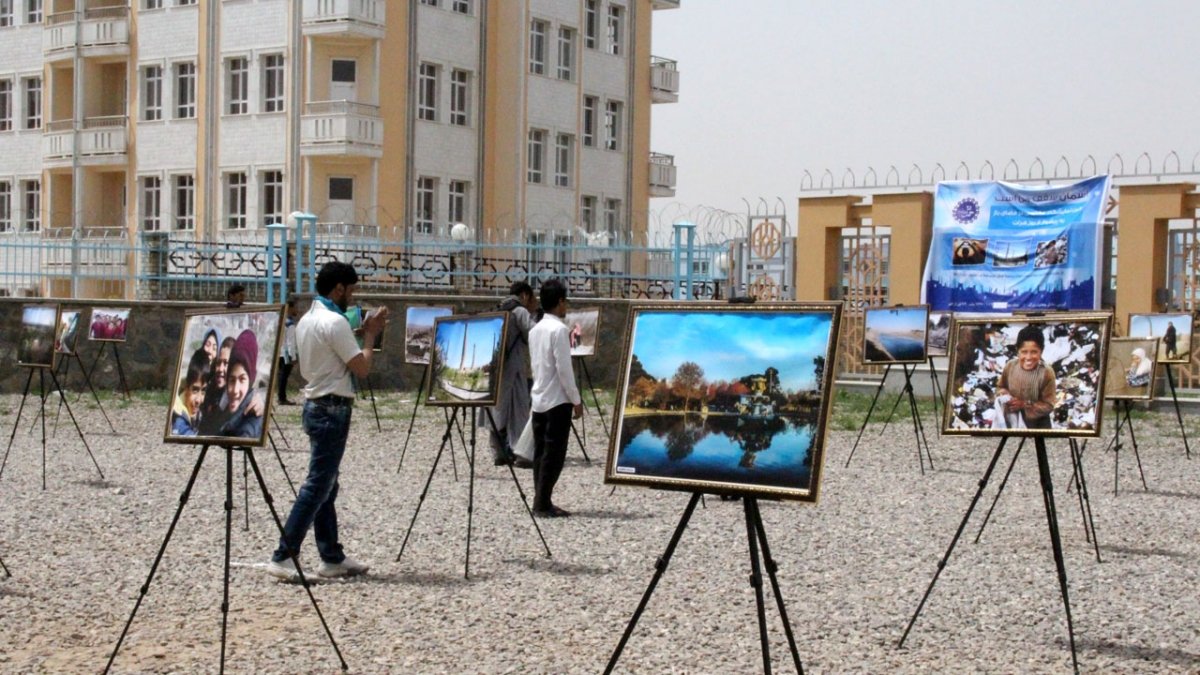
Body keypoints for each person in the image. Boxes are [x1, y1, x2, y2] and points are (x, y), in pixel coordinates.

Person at [267, 261, 387, 581]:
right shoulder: (334, 322)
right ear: (339, 289)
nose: (352, 296)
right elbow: (362, 368)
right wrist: (371, 336)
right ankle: (284, 554)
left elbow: (331, 350)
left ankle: (331, 556)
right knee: (318, 485)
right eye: (351, 290)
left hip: (315, 404)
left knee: (327, 484)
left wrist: (357, 333)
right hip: (333, 408)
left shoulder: (308, 319)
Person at [528, 278, 583, 517]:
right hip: (557, 401)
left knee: (541, 452)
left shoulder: (536, 329)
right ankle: (542, 502)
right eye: (564, 301)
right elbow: (564, 370)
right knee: (554, 454)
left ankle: (541, 497)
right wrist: (576, 399)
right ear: (560, 302)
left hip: (539, 398)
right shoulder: (559, 330)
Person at [482, 281, 538, 466]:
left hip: (497, 369)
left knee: (498, 409)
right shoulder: (520, 311)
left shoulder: (500, 307)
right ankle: (522, 453)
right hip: (514, 369)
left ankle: (498, 452)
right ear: (525, 295)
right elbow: (534, 332)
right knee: (519, 409)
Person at [198, 330, 265, 439]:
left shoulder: (251, 402)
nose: (221, 369)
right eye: (219, 363)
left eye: (226, 363)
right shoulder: (210, 389)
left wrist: (262, 402)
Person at [996, 325, 1057, 430]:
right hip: (1013, 422)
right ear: (1017, 350)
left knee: (1039, 446)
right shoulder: (1010, 366)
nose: (1028, 357)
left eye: (1034, 352)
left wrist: (1024, 405)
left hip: (1038, 425)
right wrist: (1005, 394)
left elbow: (1048, 406)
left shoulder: (1046, 372)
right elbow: (1001, 386)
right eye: (1024, 352)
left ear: (1041, 351)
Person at [171, 351, 210, 436]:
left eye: (203, 391)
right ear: (186, 387)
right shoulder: (179, 419)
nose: (198, 400)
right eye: (195, 390)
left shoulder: (201, 410)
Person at [277, 300, 299, 405]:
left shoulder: (280, 321)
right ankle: (282, 398)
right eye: (295, 307)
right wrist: (292, 357)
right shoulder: (289, 324)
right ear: (290, 308)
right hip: (286, 354)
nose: (297, 310)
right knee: (284, 377)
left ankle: (281, 396)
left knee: (281, 376)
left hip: (279, 352)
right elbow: (290, 342)